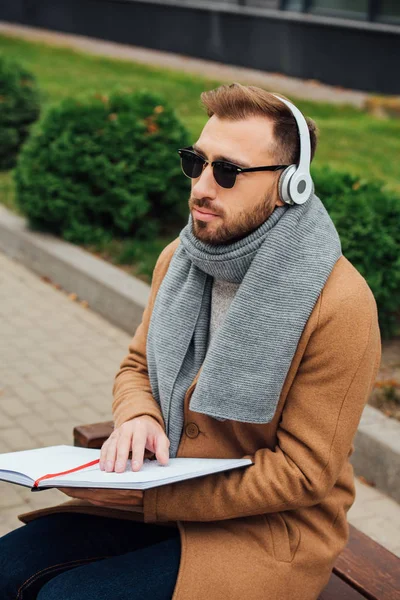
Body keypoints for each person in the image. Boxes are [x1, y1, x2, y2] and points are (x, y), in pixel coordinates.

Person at [0, 83, 381, 600]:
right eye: (196, 162)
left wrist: (147, 498)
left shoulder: (340, 304)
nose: (202, 186)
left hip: (269, 530)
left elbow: (302, 475)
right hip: (162, 497)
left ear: (288, 187)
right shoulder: (180, 259)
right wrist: (139, 415)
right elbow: (137, 366)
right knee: (8, 567)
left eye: (228, 171)